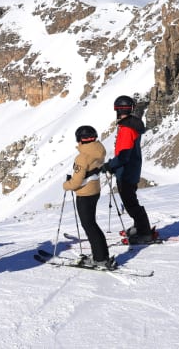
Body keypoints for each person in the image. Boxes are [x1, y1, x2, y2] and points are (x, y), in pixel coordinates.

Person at [101, 95, 153, 243]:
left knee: (130, 204)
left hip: (126, 172)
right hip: (132, 169)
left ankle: (144, 232)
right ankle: (140, 227)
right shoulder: (132, 126)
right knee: (131, 201)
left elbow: (123, 155)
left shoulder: (126, 129)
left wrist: (110, 165)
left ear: (118, 110)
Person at [63, 125, 112, 269]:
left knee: (89, 226)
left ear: (80, 139)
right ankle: (101, 256)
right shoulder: (99, 150)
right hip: (95, 190)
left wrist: (66, 185)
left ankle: (100, 259)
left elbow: (77, 182)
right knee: (92, 224)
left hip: (84, 194)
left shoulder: (82, 157)